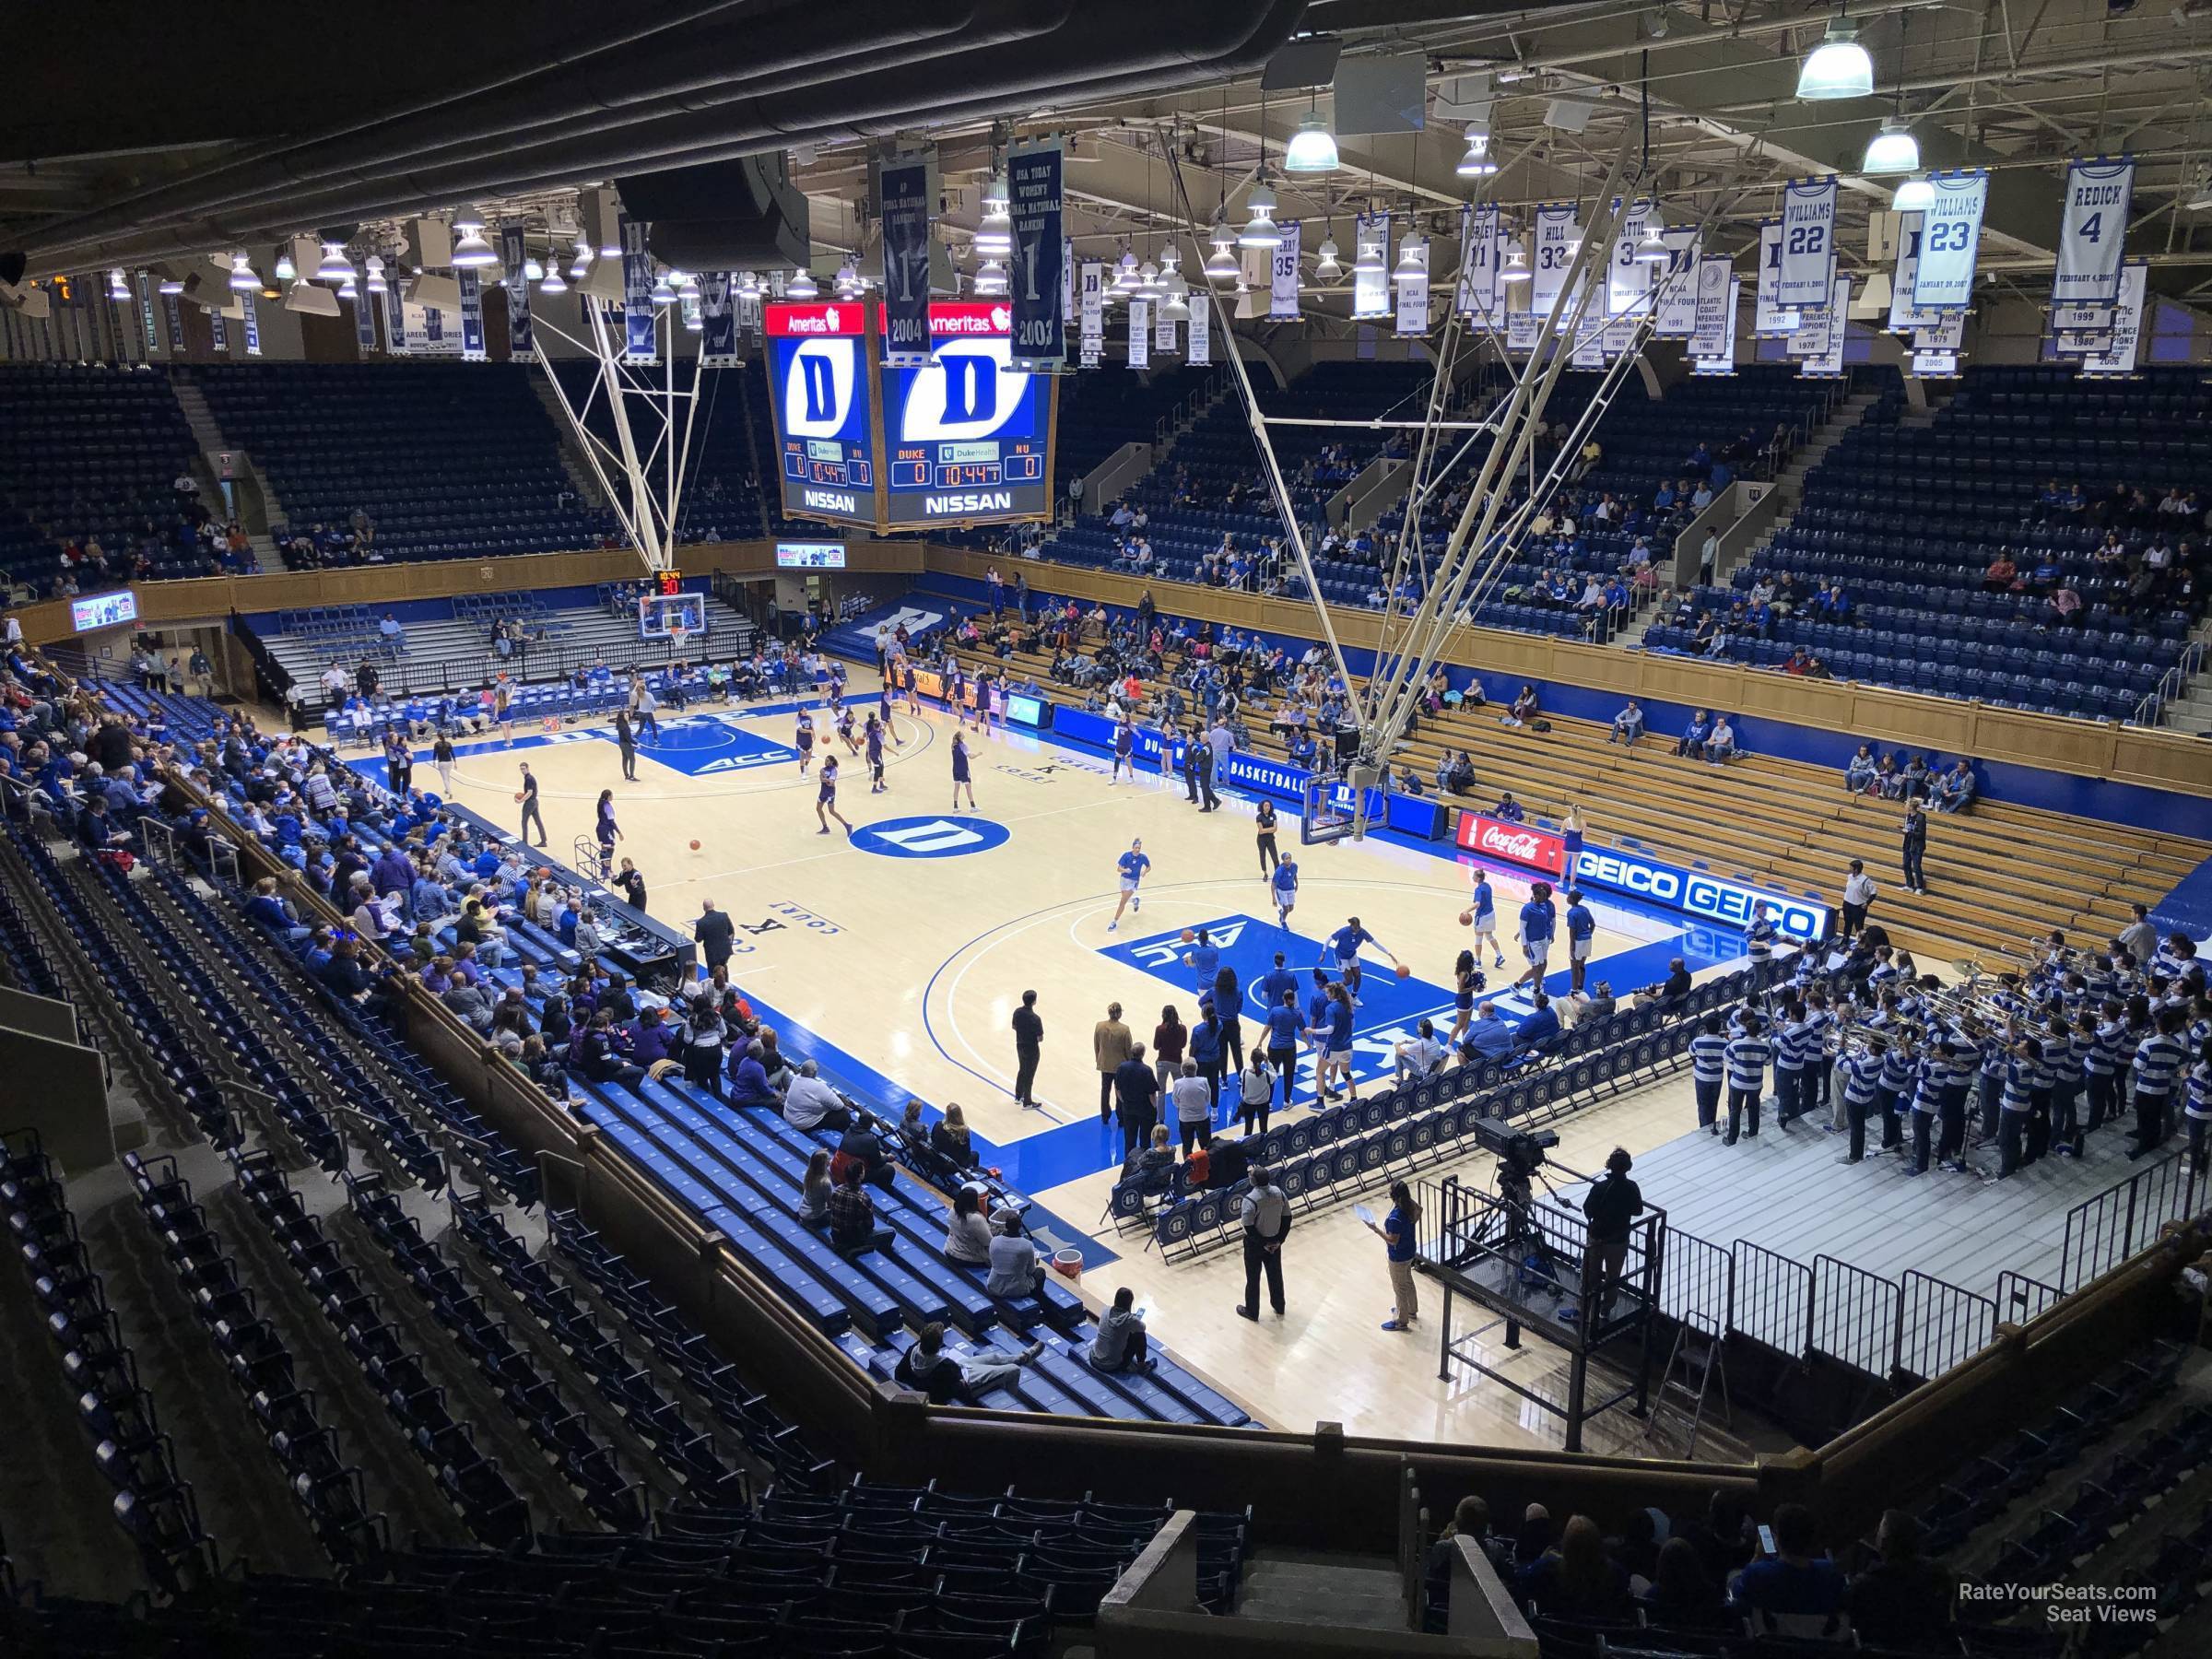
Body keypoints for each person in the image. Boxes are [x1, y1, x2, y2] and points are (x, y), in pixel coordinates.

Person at [1731, 1503, 1848, 1635]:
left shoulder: (1757, 1574)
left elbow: (1737, 1596)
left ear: (1777, 1538)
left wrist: (1757, 1557)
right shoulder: (1831, 1574)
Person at [1844, 1511, 1955, 1649]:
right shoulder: (1938, 1571)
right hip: (1934, 1647)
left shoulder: (1863, 1586)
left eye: (1879, 1531)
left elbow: (1854, 1622)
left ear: (1884, 1542)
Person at [893, 1320, 1043, 1405]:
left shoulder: (913, 1350)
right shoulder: (944, 1366)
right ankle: (1010, 1402)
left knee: (993, 1357)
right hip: (969, 1383)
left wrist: (916, 1382)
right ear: (939, 1345)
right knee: (1013, 1370)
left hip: (961, 1369)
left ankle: (1023, 1357)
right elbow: (958, 1387)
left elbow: (898, 1374)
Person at [1519, 1516, 1633, 1620]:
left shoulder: (1545, 1570)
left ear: (1565, 1545)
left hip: (1552, 1640)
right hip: (1606, 1639)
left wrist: (1539, 1561)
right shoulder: (1618, 1575)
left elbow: (1521, 1578)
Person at [1579, 1148, 1644, 1321]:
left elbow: (1588, 1209)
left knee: (1590, 1273)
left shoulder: (1600, 1188)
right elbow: (1638, 1210)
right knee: (1612, 1276)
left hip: (1597, 1236)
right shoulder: (1631, 1187)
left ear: (1609, 1165)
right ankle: (1605, 1310)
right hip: (1618, 1239)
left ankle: (1585, 1309)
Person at [1234, 1163, 1291, 1322]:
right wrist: (1280, 1240)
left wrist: (1263, 1244)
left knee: (1253, 1278)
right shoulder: (1279, 1193)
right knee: (1275, 1275)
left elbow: (1249, 1227)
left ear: (1253, 1181)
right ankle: (1279, 1306)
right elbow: (1287, 1218)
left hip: (1255, 1245)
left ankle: (1252, 1311)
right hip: (1275, 1241)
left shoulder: (1250, 1199)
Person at [1364, 1180, 1421, 1332]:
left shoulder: (1395, 1217)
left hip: (1399, 1257)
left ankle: (1401, 1321)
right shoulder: (1410, 1205)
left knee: (1400, 1288)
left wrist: (1375, 1229)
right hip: (1410, 1251)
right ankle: (1411, 1309)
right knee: (1408, 1280)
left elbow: (1392, 1240)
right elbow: (1419, 1210)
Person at [827, 1163, 893, 1254]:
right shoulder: (863, 1198)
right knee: (891, 1232)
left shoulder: (837, 1190)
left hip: (837, 1235)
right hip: (854, 1239)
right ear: (860, 1176)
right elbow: (870, 1225)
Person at [1089, 1286, 1154, 1373]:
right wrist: (1134, 1319)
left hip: (1094, 1357)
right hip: (1110, 1365)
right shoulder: (1130, 1320)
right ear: (1130, 1303)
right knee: (1139, 1335)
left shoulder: (1106, 1310)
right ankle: (1141, 1365)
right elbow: (1143, 1327)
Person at [984, 1208, 1046, 1299]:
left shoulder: (994, 1240)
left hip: (994, 1285)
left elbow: (993, 1261)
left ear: (1006, 1225)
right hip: (1017, 1289)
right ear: (1020, 1226)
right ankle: (1037, 1301)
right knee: (1040, 1272)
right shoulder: (1027, 1245)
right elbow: (1031, 1271)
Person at [1114, 1040, 1160, 1158]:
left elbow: (1117, 1089)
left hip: (1128, 1109)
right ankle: (1144, 1165)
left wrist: (1124, 1101)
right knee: (1145, 1139)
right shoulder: (1146, 1070)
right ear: (1143, 1054)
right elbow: (1152, 1094)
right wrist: (1155, 1109)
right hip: (1145, 1110)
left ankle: (1129, 1164)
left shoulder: (1121, 1067)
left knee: (1130, 1139)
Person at [1093, 1001, 1135, 1123]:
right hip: (1120, 1066)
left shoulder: (1099, 1026)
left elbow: (1096, 1045)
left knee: (1105, 1090)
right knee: (1120, 1092)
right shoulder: (1124, 1029)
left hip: (1105, 1064)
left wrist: (1099, 1059)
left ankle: (1105, 1116)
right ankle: (1121, 1117)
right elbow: (1129, 1049)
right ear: (1120, 1013)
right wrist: (1129, 1064)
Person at [1108, 837, 1149, 933]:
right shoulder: (1126, 856)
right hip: (1124, 879)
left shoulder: (1143, 857)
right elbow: (1118, 869)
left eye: (1139, 848)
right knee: (1124, 898)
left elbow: (1149, 867)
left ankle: (1114, 922)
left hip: (1134, 881)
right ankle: (1135, 900)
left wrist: (1144, 872)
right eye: (1136, 847)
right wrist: (1125, 870)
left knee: (1122, 902)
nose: (1138, 849)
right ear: (1133, 847)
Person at [944, 1186, 994, 1265]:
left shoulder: (953, 1209)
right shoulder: (976, 1219)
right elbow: (989, 1242)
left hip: (950, 1249)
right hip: (966, 1257)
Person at [1010, 988, 1043, 1109]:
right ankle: (1027, 1102)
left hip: (1020, 1045)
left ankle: (1018, 1096)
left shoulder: (1017, 1012)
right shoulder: (1035, 1018)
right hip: (1032, 1049)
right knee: (1029, 1074)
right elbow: (1040, 1038)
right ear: (1034, 1001)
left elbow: (1014, 1026)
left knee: (1022, 1069)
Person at [1467, 867, 1503, 971]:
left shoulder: (1478, 890)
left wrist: (1466, 911)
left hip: (1482, 916)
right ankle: (1499, 955)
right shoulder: (1488, 886)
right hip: (1491, 914)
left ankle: (1478, 961)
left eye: (1474, 876)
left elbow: (1477, 904)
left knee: (1478, 938)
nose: (1472, 877)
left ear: (1478, 878)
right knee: (1490, 936)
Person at [695, 897, 735, 976]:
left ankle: (716, 987)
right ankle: (726, 985)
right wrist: (729, 944)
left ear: (704, 908)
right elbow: (731, 932)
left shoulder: (701, 923)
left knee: (713, 973)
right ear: (713, 905)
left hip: (712, 954)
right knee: (723, 968)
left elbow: (698, 939)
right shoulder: (724, 916)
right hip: (725, 951)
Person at [815, 753, 853, 837]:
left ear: (831, 762)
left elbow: (831, 783)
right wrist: (825, 779)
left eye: (827, 761)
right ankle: (825, 827)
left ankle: (847, 825)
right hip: (823, 791)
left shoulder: (834, 770)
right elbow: (821, 780)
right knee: (818, 808)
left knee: (831, 811)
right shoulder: (823, 769)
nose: (825, 762)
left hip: (830, 792)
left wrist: (824, 777)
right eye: (825, 760)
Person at [1840, 859, 1877, 942]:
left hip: (1858, 907)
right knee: (1847, 924)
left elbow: (1874, 893)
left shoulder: (1865, 880)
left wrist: (1867, 903)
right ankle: (1845, 940)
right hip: (1847, 904)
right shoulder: (1849, 877)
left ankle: (1861, 943)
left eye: (1851, 868)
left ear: (1856, 869)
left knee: (1859, 927)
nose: (1849, 869)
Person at [1900, 802, 1929, 895]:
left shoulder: (1920, 818)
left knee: (1916, 866)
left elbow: (1921, 834)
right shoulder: (1907, 816)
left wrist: (1909, 832)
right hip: (1907, 843)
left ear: (1912, 807)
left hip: (1917, 846)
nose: (1905, 806)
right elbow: (1907, 829)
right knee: (1906, 864)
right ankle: (1909, 885)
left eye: (1907, 804)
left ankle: (1920, 887)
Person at [517, 762, 547, 846]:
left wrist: (521, 800)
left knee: (524, 822)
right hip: (535, 802)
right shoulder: (529, 777)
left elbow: (530, 792)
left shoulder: (529, 779)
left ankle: (524, 842)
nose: (522, 770)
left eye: (523, 768)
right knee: (538, 822)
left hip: (530, 803)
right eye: (521, 769)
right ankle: (543, 841)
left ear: (527, 768)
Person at [951, 730, 975, 809]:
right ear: (960, 737)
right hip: (963, 769)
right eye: (962, 734)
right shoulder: (963, 746)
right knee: (968, 788)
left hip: (955, 769)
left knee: (956, 788)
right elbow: (971, 757)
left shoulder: (953, 746)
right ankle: (973, 807)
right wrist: (978, 754)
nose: (964, 734)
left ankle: (955, 807)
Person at [1254, 796, 1278, 875]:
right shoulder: (1259, 817)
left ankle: (1277, 874)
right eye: (1266, 806)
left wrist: (1266, 830)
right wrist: (1271, 829)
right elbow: (1261, 831)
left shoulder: (1273, 815)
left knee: (1275, 857)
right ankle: (1265, 873)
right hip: (1261, 840)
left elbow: (1275, 829)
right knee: (1263, 857)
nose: (1267, 807)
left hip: (1270, 839)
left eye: (1269, 806)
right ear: (1262, 807)